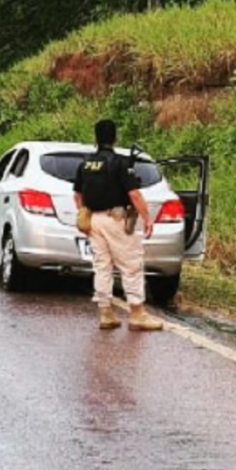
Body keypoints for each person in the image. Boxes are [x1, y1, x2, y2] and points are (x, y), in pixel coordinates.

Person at [73, 119, 163, 332]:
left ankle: (106, 313)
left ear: (95, 138)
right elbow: (134, 194)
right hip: (117, 220)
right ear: (115, 137)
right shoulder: (121, 163)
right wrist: (147, 218)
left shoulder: (85, 164)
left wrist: (83, 212)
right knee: (131, 265)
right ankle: (137, 314)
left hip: (93, 221)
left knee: (102, 267)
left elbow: (78, 195)